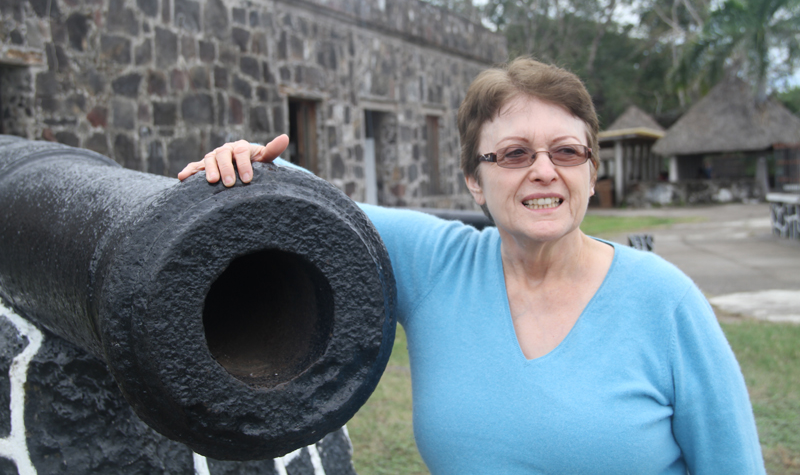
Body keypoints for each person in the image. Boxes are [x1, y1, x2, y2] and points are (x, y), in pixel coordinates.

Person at [179, 57, 765, 474]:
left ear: (592, 173)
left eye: (567, 152)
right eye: (514, 154)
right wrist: (246, 160)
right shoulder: (437, 265)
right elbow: (317, 211)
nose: (543, 171)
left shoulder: (666, 302)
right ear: (474, 182)